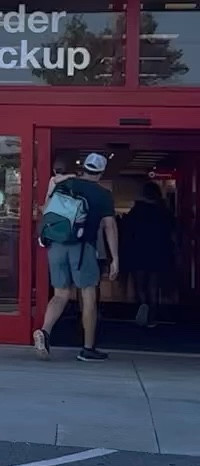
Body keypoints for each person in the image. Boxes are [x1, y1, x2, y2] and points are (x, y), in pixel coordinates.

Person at [33, 152, 119, 361]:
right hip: (82, 248)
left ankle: (44, 331)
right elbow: (109, 226)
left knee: (60, 294)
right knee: (88, 295)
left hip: (56, 245)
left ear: (84, 168)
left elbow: (47, 209)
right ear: (101, 172)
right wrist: (115, 258)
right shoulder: (103, 194)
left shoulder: (65, 184)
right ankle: (88, 348)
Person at [121, 181, 176, 327]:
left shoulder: (136, 212)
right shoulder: (163, 212)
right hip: (158, 252)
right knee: (153, 284)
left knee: (140, 284)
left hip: (138, 251)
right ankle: (152, 313)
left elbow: (127, 233)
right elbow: (172, 233)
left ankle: (142, 307)